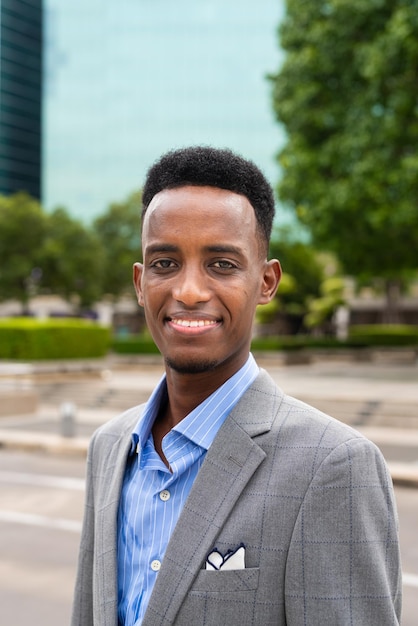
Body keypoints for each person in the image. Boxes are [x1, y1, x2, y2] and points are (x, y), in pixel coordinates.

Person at [71, 146, 402, 626]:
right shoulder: (108, 449)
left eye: (222, 264)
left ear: (266, 282)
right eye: (165, 263)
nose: (188, 291)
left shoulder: (333, 466)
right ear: (140, 283)